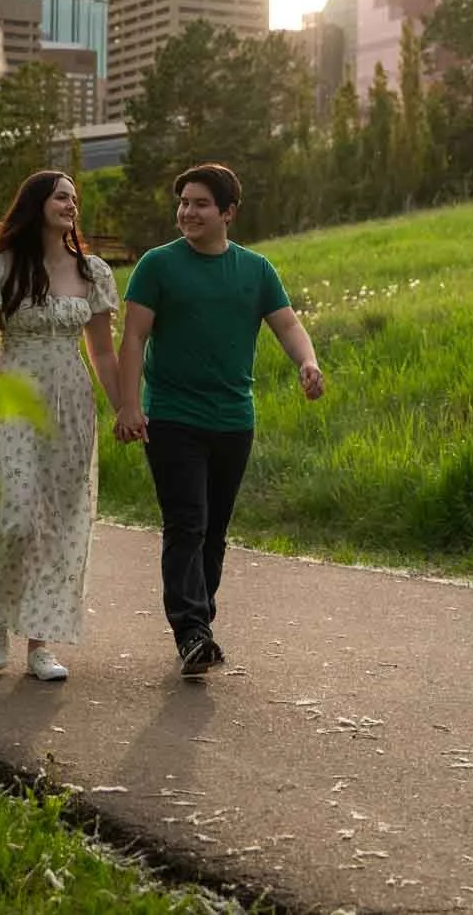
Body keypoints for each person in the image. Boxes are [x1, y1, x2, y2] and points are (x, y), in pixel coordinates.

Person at [114, 163, 322, 677]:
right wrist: (128, 403)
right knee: (187, 522)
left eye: (201, 203)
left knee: (214, 531)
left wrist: (307, 362)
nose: (188, 211)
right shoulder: (158, 266)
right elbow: (134, 337)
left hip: (233, 418)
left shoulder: (255, 270)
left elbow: (287, 323)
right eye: (184, 202)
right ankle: (190, 630)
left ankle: (199, 623)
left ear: (228, 212)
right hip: (172, 416)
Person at [0, 170, 122, 682]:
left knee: (57, 524)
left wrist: (125, 408)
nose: (71, 204)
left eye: (75, 197)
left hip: (70, 401)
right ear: (35, 204)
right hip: (13, 396)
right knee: (16, 515)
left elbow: (101, 351)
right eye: (60, 195)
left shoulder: (91, 272)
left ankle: (40, 645)